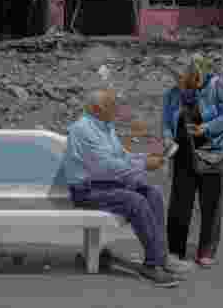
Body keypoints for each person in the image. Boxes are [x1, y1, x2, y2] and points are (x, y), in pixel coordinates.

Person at [62, 87, 191, 288]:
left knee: (153, 193)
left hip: (105, 184)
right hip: (86, 190)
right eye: (112, 106)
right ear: (97, 109)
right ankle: (152, 264)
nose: (117, 109)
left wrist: (145, 159)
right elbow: (105, 167)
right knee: (135, 201)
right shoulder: (83, 130)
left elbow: (121, 157)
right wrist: (143, 165)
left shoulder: (106, 126)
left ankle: (161, 257)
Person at [161, 55, 223, 268]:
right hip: (183, 152)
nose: (180, 83)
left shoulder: (215, 86)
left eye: (184, 78)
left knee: (211, 203)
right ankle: (175, 250)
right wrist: (167, 139)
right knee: (179, 203)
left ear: (196, 75)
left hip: (213, 151)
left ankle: (206, 250)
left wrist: (206, 128)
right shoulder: (172, 94)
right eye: (177, 78)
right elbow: (167, 123)